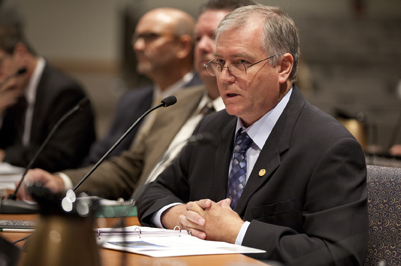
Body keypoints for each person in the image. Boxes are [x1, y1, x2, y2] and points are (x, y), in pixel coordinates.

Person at [136, 4, 368, 265]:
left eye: (241, 63)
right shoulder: (212, 128)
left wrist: (239, 233)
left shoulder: (329, 145)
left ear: (283, 67)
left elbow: (340, 255)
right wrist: (182, 216)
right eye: (220, 63)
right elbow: (152, 191)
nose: (224, 77)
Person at [16, 0, 255, 200]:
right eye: (197, 37)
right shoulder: (177, 101)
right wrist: (61, 180)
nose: (202, 46)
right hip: (133, 221)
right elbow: (130, 167)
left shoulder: (247, 113)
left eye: (214, 36)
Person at [83, 8, 202, 165]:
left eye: (151, 37)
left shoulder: (203, 100)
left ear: (183, 46)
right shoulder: (132, 100)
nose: (138, 46)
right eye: (137, 37)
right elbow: (98, 159)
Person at [0, 27, 96, 172]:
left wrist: (6, 155)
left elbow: (59, 156)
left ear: (21, 53)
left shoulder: (65, 93)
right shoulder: (14, 89)